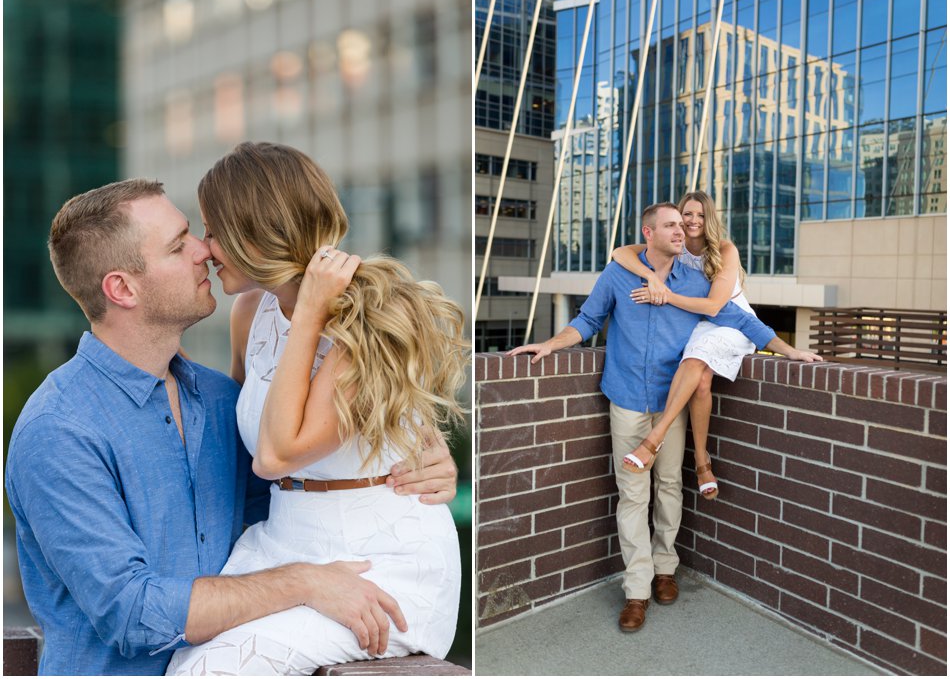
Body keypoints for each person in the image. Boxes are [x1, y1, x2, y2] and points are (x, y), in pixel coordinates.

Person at [4, 178, 459, 675]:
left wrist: (409, 464)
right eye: (179, 245)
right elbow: (132, 614)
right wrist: (304, 581)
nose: (205, 249)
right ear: (122, 288)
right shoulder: (59, 431)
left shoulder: (219, 400)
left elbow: (293, 490)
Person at [164, 142, 468, 675]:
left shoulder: (365, 318)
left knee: (208, 671)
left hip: (381, 563)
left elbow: (277, 454)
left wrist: (308, 313)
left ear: (251, 233)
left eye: (212, 231)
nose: (206, 249)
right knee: (183, 656)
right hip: (284, 546)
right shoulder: (250, 311)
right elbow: (246, 440)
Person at [509, 202, 809, 632]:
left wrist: (791, 351)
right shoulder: (618, 275)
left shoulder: (695, 283)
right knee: (633, 496)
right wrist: (552, 345)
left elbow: (743, 321)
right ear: (648, 234)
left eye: (681, 225)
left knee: (669, 485)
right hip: (627, 398)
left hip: (672, 403)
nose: (681, 231)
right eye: (670, 225)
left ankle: (665, 568)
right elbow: (588, 319)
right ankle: (637, 591)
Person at [612, 190, 821, 499]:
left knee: (697, 361)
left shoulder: (724, 249)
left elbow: (714, 307)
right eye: (687, 214)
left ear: (709, 219)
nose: (693, 220)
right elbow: (619, 253)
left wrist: (790, 351)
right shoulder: (674, 245)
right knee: (698, 380)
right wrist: (650, 277)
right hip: (698, 323)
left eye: (700, 214)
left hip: (730, 320)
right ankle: (701, 459)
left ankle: (656, 440)